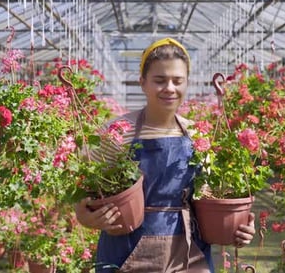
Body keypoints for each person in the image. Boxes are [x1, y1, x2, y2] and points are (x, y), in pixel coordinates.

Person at [74, 38, 256, 273]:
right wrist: (84, 216)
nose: (169, 88)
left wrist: (236, 227)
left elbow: (211, 197)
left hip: (189, 253)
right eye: (159, 80)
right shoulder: (118, 132)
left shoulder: (197, 134)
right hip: (125, 252)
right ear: (143, 83)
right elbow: (85, 191)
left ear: (186, 83)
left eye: (177, 81)